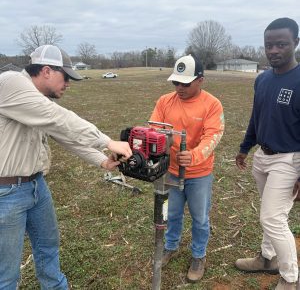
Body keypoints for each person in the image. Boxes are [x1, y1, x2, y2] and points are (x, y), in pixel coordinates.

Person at [0, 44, 132, 290]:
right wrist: (107, 141)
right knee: (6, 274)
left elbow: (64, 135)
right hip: (6, 193)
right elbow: (59, 119)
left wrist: (101, 159)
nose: (69, 84)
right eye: (66, 77)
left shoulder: (37, 101)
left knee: (48, 248)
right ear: (47, 71)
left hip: (36, 186)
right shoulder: (11, 83)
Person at [235, 18, 300, 290]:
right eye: (269, 45)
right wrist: (245, 147)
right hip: (263, 156)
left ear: (295, 43)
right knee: (270, 213)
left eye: (281, 44)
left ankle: (290, 278)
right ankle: (267, 258)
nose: (274, 50)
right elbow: (256, 117)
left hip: (289, 159)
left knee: (272, 217)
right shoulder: (262, 80)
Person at [150, 54, 224, 283]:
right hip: (170, 170)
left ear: (200, 80)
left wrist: (193, 155)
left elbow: (213, 135)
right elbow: (153, 129)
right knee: (171, 214)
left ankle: (198, 255)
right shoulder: (165, 101)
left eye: (185, 83)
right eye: (176, 82)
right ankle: (170, 247)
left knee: (200, 217)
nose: (179, 88)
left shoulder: (212, 104)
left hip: (198, 174)